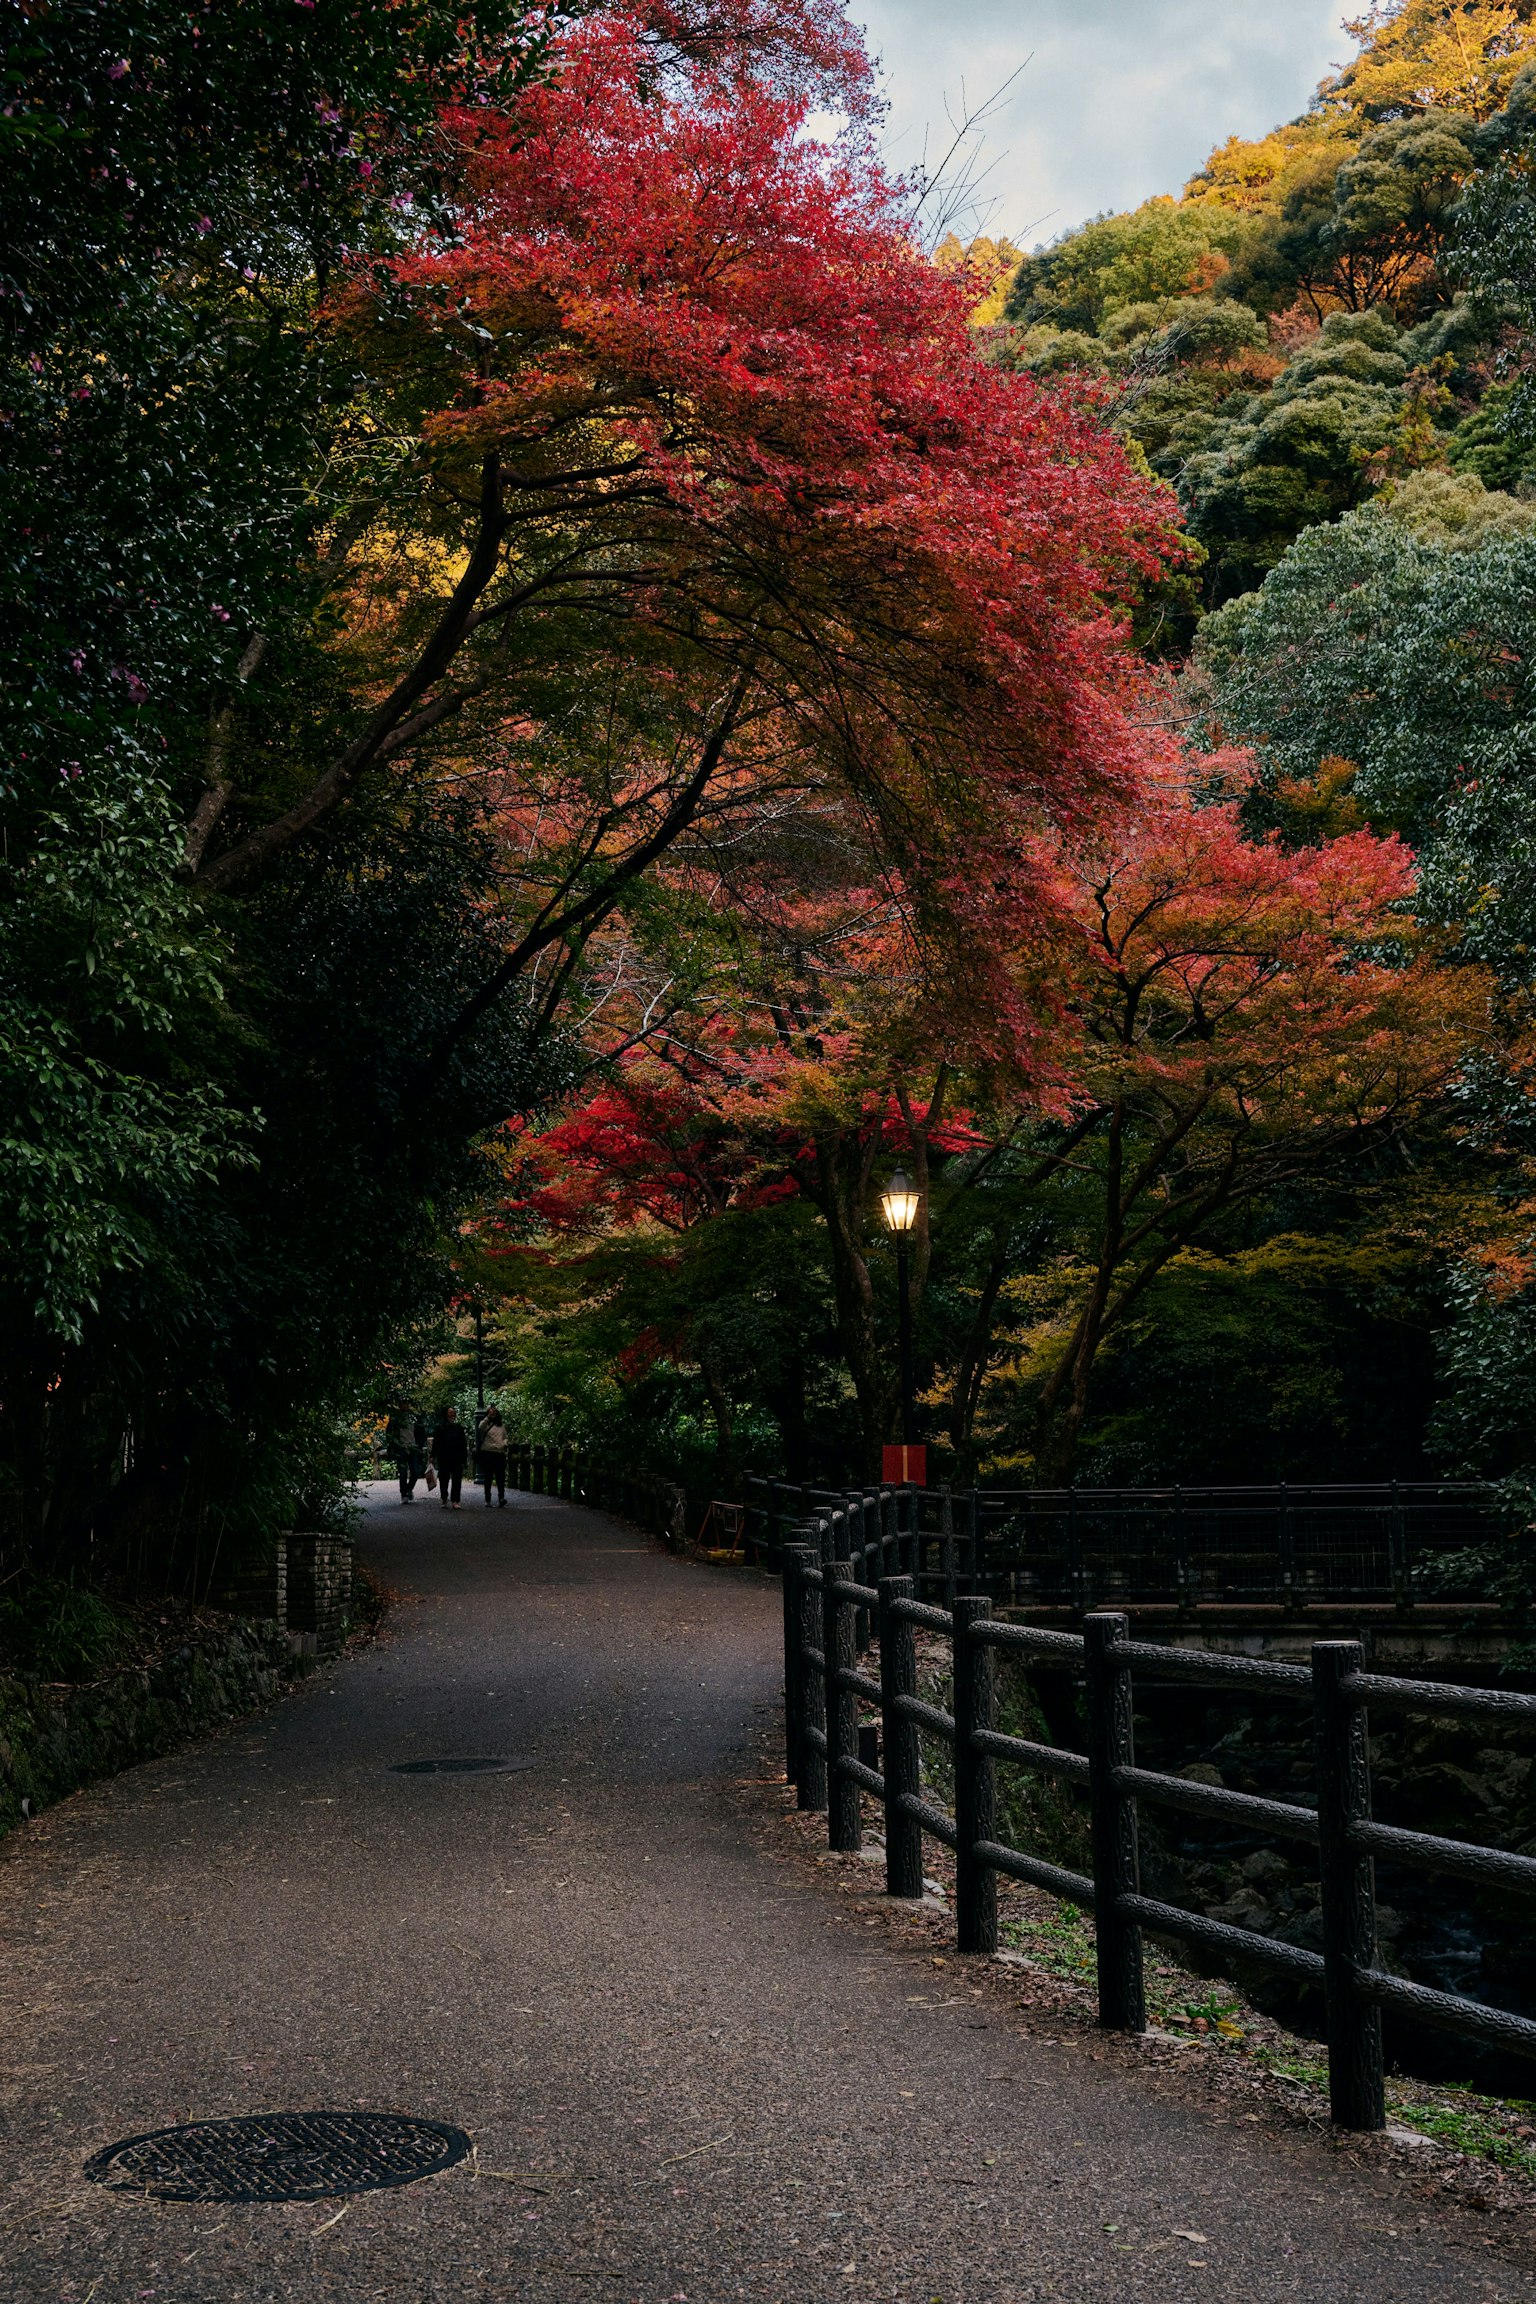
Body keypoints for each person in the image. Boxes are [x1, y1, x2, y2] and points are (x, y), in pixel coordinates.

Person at [386, 1405, 426, 1502]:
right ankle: (404, 1494)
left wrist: (419, 1445)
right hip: (401, 1448)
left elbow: (421, 1431)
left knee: (415, 1472)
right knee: (403, 1473)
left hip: (413, 1448)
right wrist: (393, 1447)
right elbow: (389, 1432)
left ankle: (408, 1489)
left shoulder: (414, 1418)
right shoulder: (395, 1419)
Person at [431, 1405, 468, 1509]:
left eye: (453, 1413)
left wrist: (464, 1458)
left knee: (457, 1480)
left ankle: (456, 1500)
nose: (452, 1415)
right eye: (450, 1413)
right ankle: (444, 1497)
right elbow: (436, 1443)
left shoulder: (459, 1428)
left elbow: (463, 1444)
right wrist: (432, 1455)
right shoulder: (440, 1428)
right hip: (444, 1457)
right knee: (444, 1479)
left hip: (457, 1457)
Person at [477, 1404, 508, 1508]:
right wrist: (488, 1417)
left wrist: (505, 1443)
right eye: (491, 1412)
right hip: (488, 1452)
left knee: (500, 1477)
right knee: (488, 1477)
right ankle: (487, 1499)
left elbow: (505, 1437)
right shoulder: (486, 1424)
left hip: (499, 1453)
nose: (493, 1413)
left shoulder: (501, 1425)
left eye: (494, 1412)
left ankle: (501, 1498)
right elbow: (480, 1427)